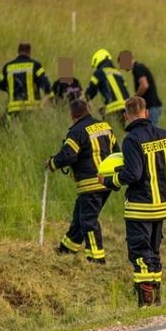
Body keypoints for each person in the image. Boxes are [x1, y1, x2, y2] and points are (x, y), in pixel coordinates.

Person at [99, 96, 166, 307]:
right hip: (162, 207)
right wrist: (159, 176)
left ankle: (145, 300)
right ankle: (156, 298)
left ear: (127, 116)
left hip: (140, 208)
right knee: (154, 252)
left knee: (140, 252)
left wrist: (110, 180)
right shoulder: (165, 135)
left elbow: (133, 174)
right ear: (146, 112)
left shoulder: (131, 140)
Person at [47, 99, 115, 263]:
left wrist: (52, 163)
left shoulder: (76, 131)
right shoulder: (105, 126)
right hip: (107, 181)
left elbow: (68, 154)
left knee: (88, 220)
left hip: (90, 183)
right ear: (88, 110)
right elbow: (117, 151)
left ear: (72, 116)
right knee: (80, 215)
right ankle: (67, 248)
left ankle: (96, 259)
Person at [0, 42, 51, 119]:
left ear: (18, 51)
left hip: (13, 109)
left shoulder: (8, 67)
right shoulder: (36, 65)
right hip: (32, 109)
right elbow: (46, 85)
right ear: (29, 52)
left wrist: (10, 90)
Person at [86, 49, 131, 126]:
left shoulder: (99, 72)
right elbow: (122, 92)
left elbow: (90, 93)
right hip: (127, 108)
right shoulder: (118, 73)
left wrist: (83, 100)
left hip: (112, 111)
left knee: (110, 135)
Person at [119, 51, 164, 125]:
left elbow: (144, 85)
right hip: (152, 107)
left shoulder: (137, 68)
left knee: (151, 132)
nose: (122, 67)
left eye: (121, 63)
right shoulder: (138, 68)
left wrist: (134, 97)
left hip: (152, 107)